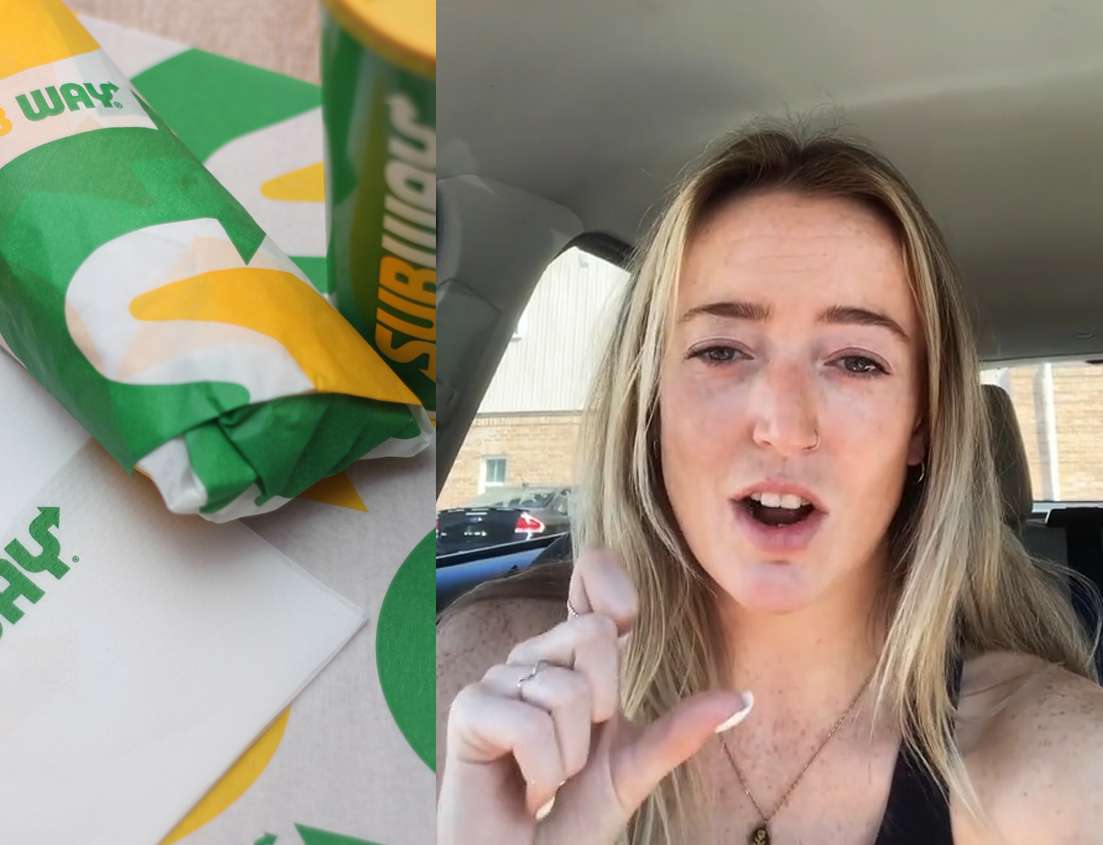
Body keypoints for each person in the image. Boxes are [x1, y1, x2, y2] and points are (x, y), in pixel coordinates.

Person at [434, 127, 1103, 843]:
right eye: (721, 350)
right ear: (650, 403)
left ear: (922, 426)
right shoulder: (471, 693)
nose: (784, 426)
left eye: (856, 361)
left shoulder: (1059, 765)